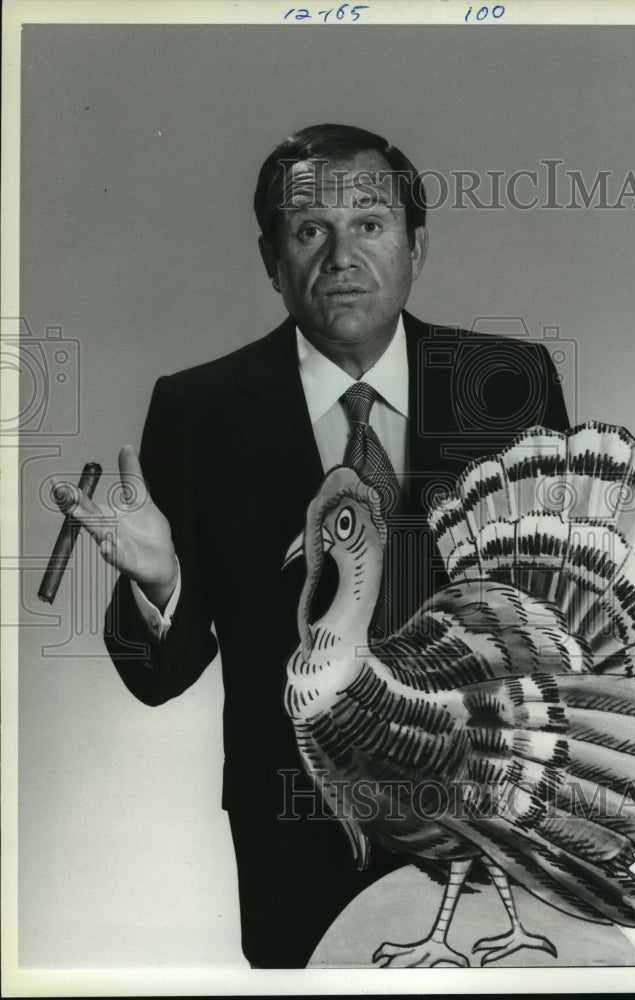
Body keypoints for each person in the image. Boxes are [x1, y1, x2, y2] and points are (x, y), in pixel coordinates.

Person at [61, 123, 570, 968]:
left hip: (490, 814)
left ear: (417, 244)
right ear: (271, 258)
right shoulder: (197, 411)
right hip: (297, 820)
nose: (341, 254)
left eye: (369, 224)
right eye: (309, 231)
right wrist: (160, 584)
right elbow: (161, 676)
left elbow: (556, 623)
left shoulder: (510, 385)